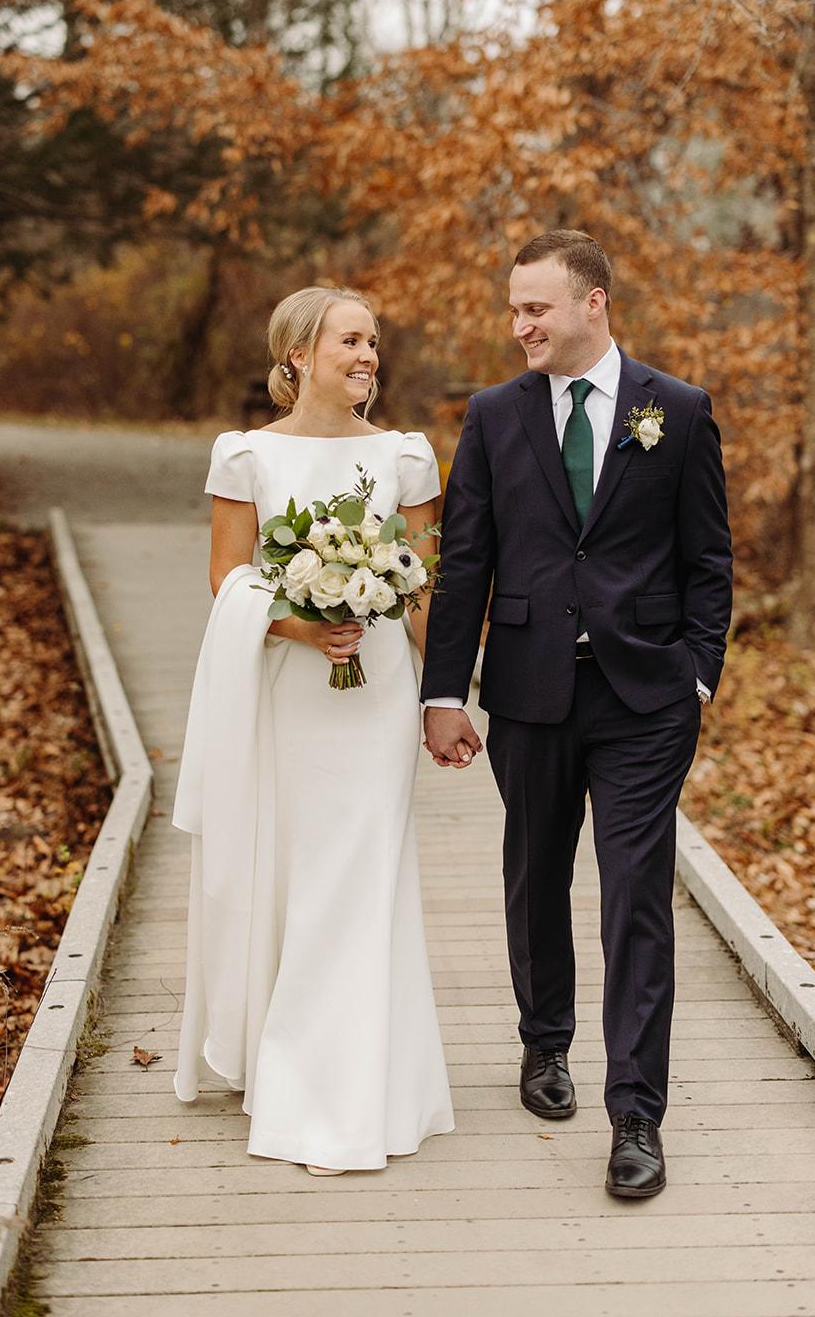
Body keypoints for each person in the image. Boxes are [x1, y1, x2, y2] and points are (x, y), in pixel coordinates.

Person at [421, 229, 732, 1199]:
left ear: (591, 303)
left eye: (535, 308)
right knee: (534, 869)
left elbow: (707, 559)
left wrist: (695, 675)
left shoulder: (674, 410)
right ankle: (541, 1043)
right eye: (513, 307)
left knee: (635, 893)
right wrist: (442, 691)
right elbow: (465, 559)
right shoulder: (491, 416)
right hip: (526, 689)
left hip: (645, 696)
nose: (519, 325)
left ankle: (635, 1112)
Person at [172, 285, 454, 1176]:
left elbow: (420, 585)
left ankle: (348, 1085)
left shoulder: (408, 456)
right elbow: (226, 575)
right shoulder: (244, 454)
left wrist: (442, 695)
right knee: (297, 868)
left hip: (375, 699)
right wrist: (297, 622)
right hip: (288, 691)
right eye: (350, 341)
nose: (368, 355)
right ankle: (284, 1061)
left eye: (373, 341)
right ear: (297, 355)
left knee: (360, 873)